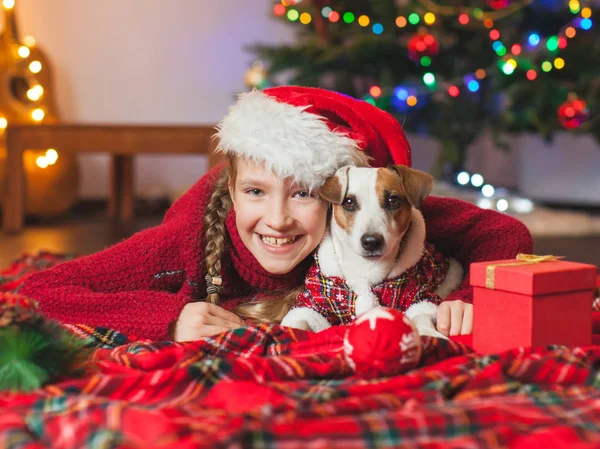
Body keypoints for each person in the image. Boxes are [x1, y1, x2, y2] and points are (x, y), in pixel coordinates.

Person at [20, 86, 533, 342]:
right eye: (257, 192)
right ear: (233, 189)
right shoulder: (184, 244)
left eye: (306, 193)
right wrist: (170, 319)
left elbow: (503, 230)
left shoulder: (368, 211)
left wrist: (468, 298)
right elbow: (38, 292)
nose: (279, 219)